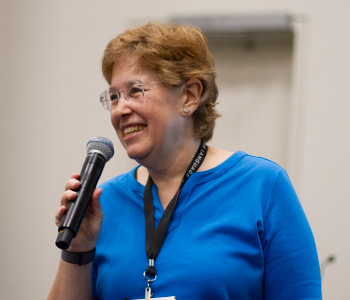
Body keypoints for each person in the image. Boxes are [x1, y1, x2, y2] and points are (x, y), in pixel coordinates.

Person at [48, 22, 322, 300]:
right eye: (114, 96)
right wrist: (77, 249)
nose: (120, 109)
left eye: (135, 91)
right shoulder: (101, 203)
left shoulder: (263, 187)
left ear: (189, 96)